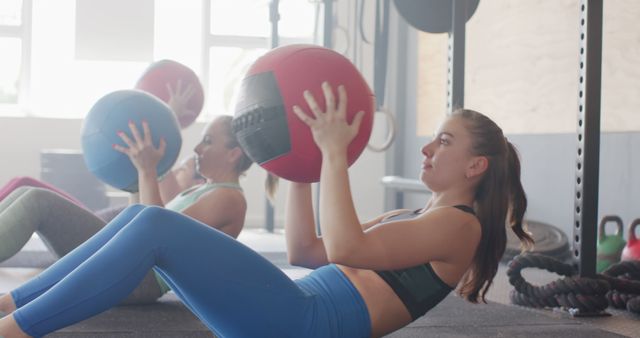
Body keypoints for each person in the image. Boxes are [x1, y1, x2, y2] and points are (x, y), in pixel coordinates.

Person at [0, 82, 533, 337]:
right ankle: (11, 303)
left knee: (155, 225)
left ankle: (18, 329)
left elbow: (348, 248)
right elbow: (310, 251)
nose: (427, 149)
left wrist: (331, 153)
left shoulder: (458, 228)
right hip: (293, 303)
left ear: (475, 167)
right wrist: (301, 167)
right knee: (143, 219)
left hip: (304, 323)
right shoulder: (415, 219)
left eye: (444, 141)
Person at [0, 114, 263, 306]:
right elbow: (140, 221)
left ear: (233, 154)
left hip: (140, 279)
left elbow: (157, 233)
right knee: (25, 192)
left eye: (207, 141)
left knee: (37, 200)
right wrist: (138, 174)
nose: (197, 148)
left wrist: (148, 170)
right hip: (130, 267)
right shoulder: (200, 191)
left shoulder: (229, 197)